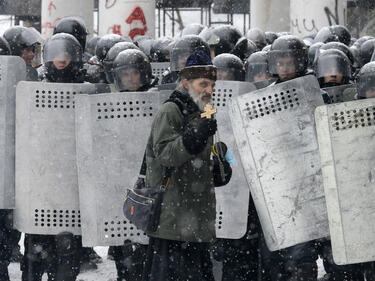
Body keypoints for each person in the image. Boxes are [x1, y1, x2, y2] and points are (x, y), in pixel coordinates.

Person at [142, 50, 232, 281]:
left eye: (212, 85)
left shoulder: (202, 111)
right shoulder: (171, 111)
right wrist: (193, 138)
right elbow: (165, 155)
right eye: (203, 84)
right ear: (186, 83)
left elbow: (194, 164)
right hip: (172, 224)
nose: (209, 90)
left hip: (196, 222)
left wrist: (217, 170)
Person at [21, 33, 84, 281]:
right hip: (40, 175)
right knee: (36, 249)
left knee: (67, 256)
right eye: (57, 54)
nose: (61, 59)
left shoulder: (84, 84)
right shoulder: (35, 82)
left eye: (66, 54)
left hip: (70, 179)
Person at [263, 35, 320, 281]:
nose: (285, 68)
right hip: (275, 180)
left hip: (305, 180)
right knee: (273, 257)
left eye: (289, 63)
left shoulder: (313, 91)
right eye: (281, 63)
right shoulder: (264, 96)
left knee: (302, 253)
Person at [111, 49, 154, 281]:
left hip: (147, 180)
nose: (130, 78)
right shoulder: (109, 104)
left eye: (134, 73)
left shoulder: (156, 100)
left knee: (145, 248)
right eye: (125, 74)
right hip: (120, 178)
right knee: (122, 245)